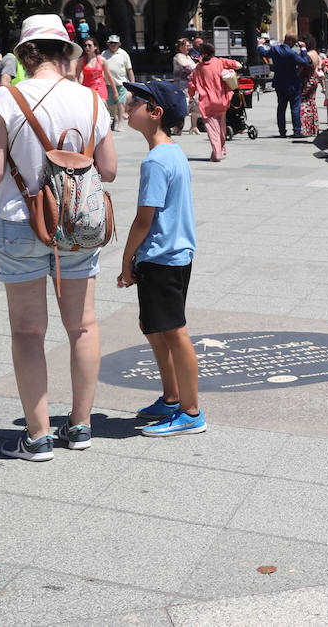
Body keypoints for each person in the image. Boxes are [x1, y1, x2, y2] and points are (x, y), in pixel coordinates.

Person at [0, 13, 117, 459]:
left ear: (26, 52)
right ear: (64, 53)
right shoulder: (92, 101)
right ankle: (79, 426)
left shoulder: (6, 97)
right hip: (77, 224)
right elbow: (109, 170)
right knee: (83, 326)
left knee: (27, 331)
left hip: (20, 221)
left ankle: (37, 436)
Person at [117, 79, 205, 437]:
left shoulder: (155, 161)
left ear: (155, 113)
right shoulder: (173, 151)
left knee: (174, 332)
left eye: (136, 101)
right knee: (155, 328)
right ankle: (171, 399)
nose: (128, 104)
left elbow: (144, 219)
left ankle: (191, 411)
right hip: (173, 255)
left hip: (161, 257)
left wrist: (126, 261)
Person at [187, 40, 242, 161]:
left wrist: (191, 97)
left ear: (202, 53)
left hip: (207, 102)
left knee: (212, 128)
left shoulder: (198, 68)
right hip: (222, 100)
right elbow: (238, 65)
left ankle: (217, 153)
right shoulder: (220, 62)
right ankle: (221, 148)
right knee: (221, 125)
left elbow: (191, 84)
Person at [268, 32, 310, 137]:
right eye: (295, 43)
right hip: (293, 85)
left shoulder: (274, 50)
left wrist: (260, 44)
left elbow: (263, 53)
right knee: (295, 108)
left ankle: (282, 131)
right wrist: (303, 49)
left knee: (281, 108)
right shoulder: (291, 54)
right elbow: (304, 62)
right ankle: (297, 131)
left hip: (279, 84)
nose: (294, 45)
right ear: (290, 41)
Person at [101, 35, 135, 131]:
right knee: (110, 104)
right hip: (108, 84)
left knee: (121, 103)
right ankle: (115, 117)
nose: (113, 45)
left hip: (121, 83)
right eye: (111, 43)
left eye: (115, 43)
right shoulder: (104, 53)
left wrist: (133, 84)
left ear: (119, 44)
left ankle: (120, 123)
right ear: (108, 44)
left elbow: (129, 69)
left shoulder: (123, 54)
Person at [78, 37, 117, 113]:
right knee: (89, 109)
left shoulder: (102, 60)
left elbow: (109, 76)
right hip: (87, 87)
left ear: (95, 47)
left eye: (89, 45)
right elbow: (77, 75)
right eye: (85, 46)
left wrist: (115, 90)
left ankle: (108, 119)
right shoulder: (81, 60)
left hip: (100, 86)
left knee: (102, 104)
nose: (87, 48)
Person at [172, 38, 199, 135]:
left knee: (195, 104)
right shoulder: (178, 56)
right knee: (182, 106)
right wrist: (198, 65)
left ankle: (194, 126)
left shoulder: (188, 57)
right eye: (187, 46)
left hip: (191, 85)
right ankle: (177, 128)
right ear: (181, 47)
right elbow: (187, 68)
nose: (189, 48)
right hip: (181, 86)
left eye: (189, 45)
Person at [299, 40, 323, 137]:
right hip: (314, 80)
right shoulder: (315, 53)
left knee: (304, 104)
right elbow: (320, 62)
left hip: (306, 80)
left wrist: (297, 73)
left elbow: (302, 66)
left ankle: (306, 129)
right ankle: (314, 128)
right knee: (312, 103)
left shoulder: (308, 55)